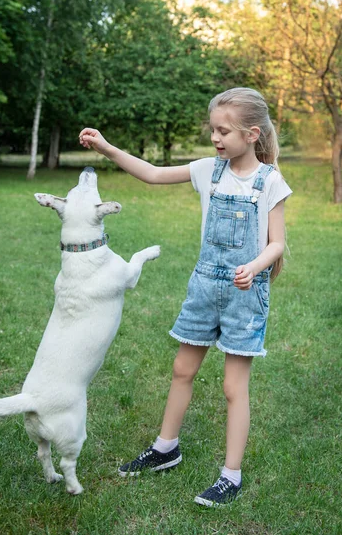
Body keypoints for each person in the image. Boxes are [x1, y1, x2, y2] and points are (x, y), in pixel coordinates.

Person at [79, 87, 292, 507]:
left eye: (223, 131)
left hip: (243, 295)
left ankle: (231, 475)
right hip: (203, 288)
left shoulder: (270, 181)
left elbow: (278, 243)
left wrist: (255, 266)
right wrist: (106, 148)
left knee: (234, 387)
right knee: (181, 369)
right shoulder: (207, 171)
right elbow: (153, 173)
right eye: (212, 129)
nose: (215, 138)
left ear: (252, 134)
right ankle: (165, 448)